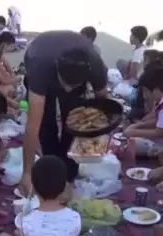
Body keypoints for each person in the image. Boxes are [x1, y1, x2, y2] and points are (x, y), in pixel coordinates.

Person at [18, 31, 108, 197]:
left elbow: (104, 103)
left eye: (73, 86)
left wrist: (99, 134)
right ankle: (50, 166)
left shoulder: (95, 66)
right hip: (39, 53)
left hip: (73, 66)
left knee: (74, 117)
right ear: (57, 71)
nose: (67, 89)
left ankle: (68, 168)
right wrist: (27, 173)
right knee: (45, 120)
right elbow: (32, 127)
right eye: (65, 84)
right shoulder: (40, 68)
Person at [123, 67, 163, 155]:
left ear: (156, 90)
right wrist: (138, 126)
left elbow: (159, 133)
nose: (145, 96)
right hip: (162, 139)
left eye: (146, 91)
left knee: (130, 144)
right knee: (130, 136)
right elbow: (157, 121)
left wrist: (134, 132)